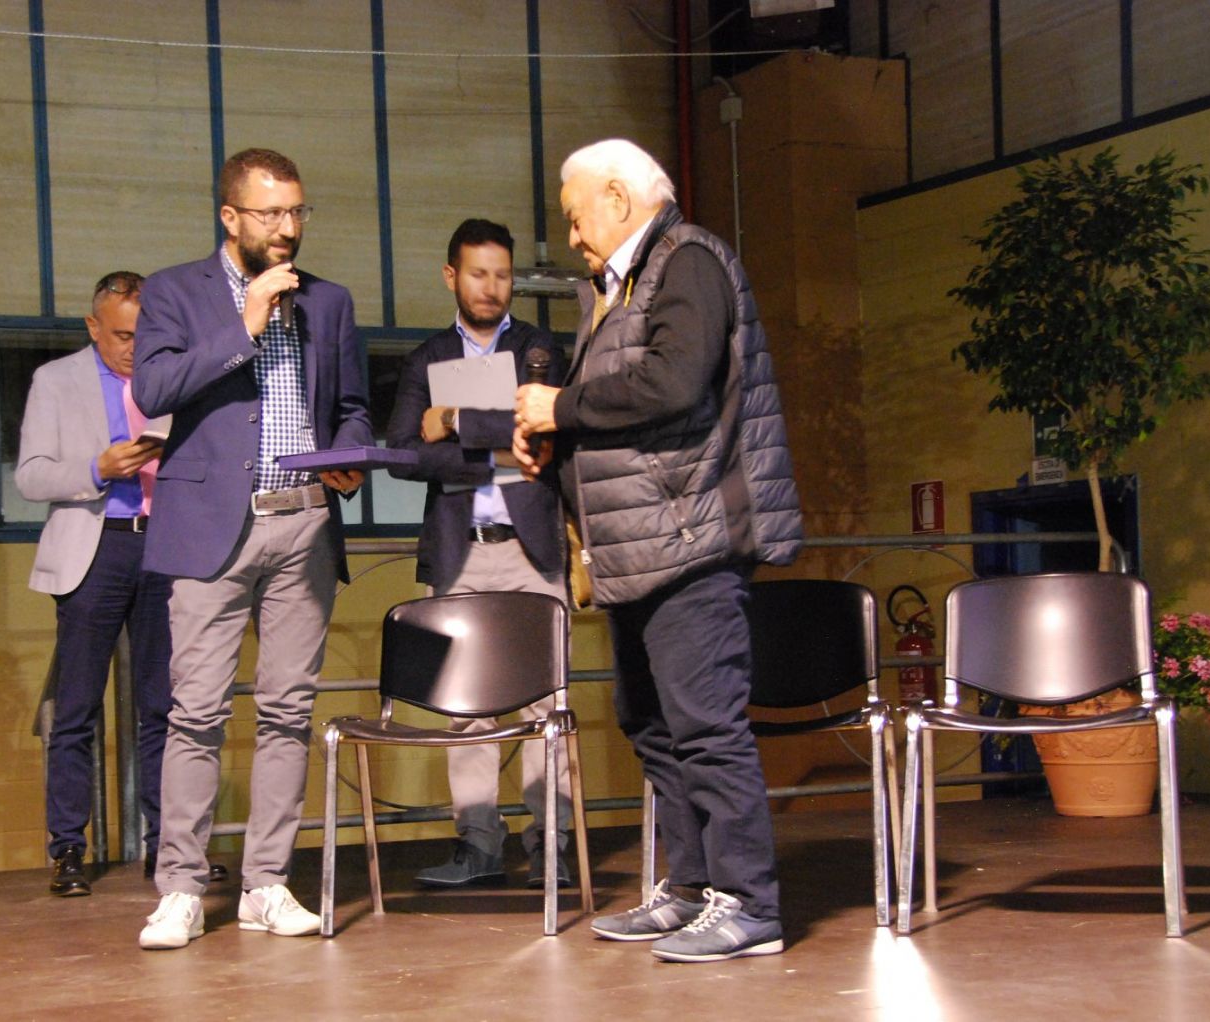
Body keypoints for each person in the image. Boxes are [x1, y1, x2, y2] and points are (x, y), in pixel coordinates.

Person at [514, 139, 803, 963]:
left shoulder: (689, 261)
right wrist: (554, 444)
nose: (573, 236)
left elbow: (675, 382)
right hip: (634, 548)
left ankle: (750, 904)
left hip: (689, 540)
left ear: (617, 196)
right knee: (651, 723)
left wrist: (561, 407)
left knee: (706, 726)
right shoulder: (623, 286)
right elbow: (622, 413)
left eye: (576, 217)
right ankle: (692, 889)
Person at [130, 148, 372, 950]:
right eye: (271, 213)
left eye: (298, 211)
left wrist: (348, 455)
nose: (288, 227)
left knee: (287, 711)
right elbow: (153, 390)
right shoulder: (174, 292)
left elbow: (352, 405)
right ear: (230, 217)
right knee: (195, 711)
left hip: (304, 523)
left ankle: (266, 883)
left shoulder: (329, 301)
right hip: (211, 528)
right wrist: (245, 326)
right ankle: (181, 888)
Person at [384, 217, 574, 890]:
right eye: (477, 274)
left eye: (502, 275)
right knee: (467, 710)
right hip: (460, 551)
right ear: (451, 277)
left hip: (532, 550)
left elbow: (547, 437)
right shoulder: (427, 358)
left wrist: (457, 420)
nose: (491, 287)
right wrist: (496, 455)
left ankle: (551, 845)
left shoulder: (540, 351)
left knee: (546, 708)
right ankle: (478, 845)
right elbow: (403, 454)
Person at [14, 270, 173, 897]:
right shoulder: (56, 380)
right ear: (93, 327)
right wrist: (96, 468)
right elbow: (30, 477)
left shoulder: (171, 377)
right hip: (94, 546)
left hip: (164, 544)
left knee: (164, 706)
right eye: (122, 336)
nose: (135, 348)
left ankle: (168, 847)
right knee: (77, 707)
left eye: (144, 335)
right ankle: (67, 850)